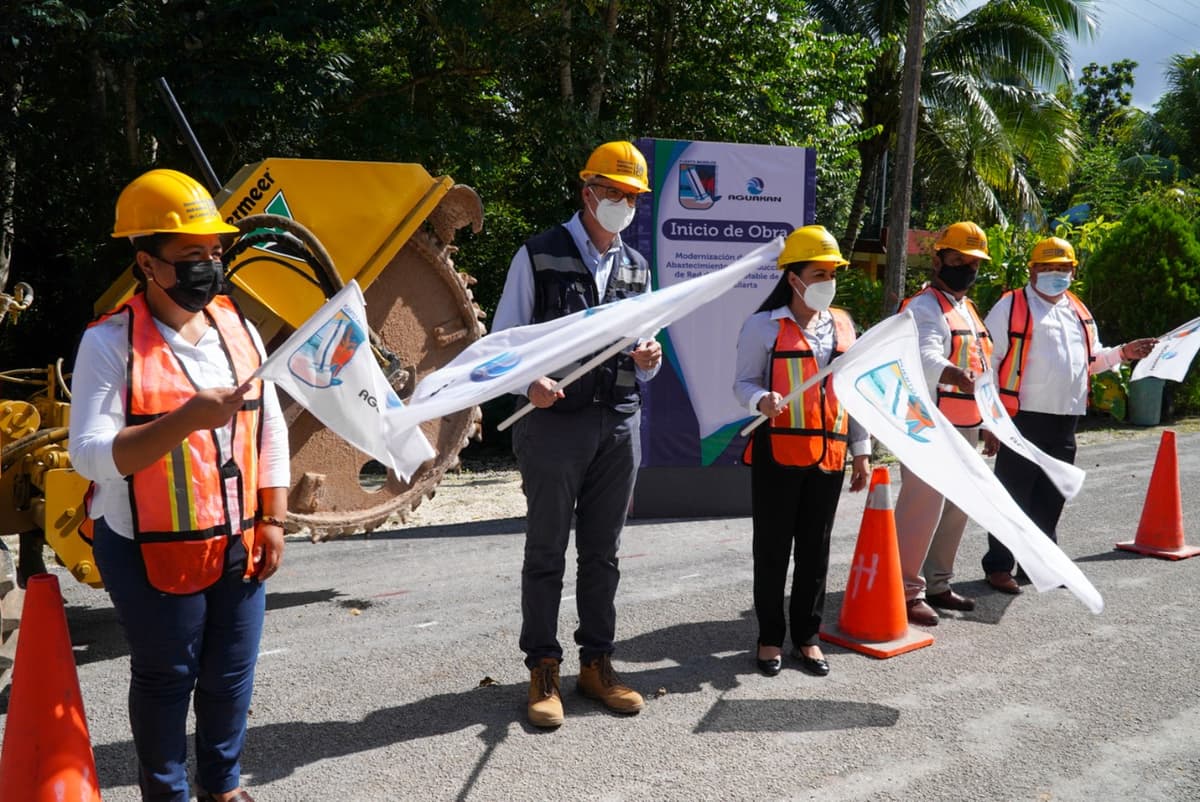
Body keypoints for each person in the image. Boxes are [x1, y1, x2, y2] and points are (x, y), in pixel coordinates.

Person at [69, 169, 289, 802]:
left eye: (215, 251)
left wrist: (273, 518)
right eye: (192, 254)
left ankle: (223, 786)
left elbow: (269, 426)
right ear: (147, 263)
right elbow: (89, 457)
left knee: (230, 675)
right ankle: (167, 795)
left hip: (236, 537)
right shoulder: (110, 343)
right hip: (146, 545)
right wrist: (186, 419)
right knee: (168, 677)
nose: (209, 266)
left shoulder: (238, 329)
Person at [492, 141, 663, 728]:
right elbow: (504, 344)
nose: (624, 204)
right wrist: (528, 384)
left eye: (632, 196)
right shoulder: (538, 254)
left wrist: (650, 359)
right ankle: (543, 667)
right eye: (614, 192)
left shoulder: (637, 267)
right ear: (587, 191)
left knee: (603, 553)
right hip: (552, 424)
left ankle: (597, 664)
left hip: (619, 422)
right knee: (546, 550)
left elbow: (646, 349)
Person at [980, 236, 1157, 592]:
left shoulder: (1078, 310)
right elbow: (988, 362)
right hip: (1020, 418)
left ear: (1074, 271)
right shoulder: (1009, 306)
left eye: (1062, 268)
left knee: (1051, 495)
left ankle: (1039, 565)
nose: (1055, 274)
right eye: (1047, 267)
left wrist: (1124, 353)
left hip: (1065, 418)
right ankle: (999, 565)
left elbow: (1090, 360)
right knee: (1012, 495)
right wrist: (991, 420)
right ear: (1032, 270)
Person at [733, 225, 871, 677]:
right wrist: (760, 400)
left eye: (832, 273)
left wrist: (862, 450)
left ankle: (808, 638)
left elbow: (855, 391)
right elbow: (743, 384)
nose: (828, 282)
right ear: (793, 278)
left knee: (816, 550)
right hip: (778, 454)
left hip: (829, 456)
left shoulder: (845, 326)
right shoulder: (762, 326)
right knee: (772, 549)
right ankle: (770, 638)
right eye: (818, 274)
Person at [894, 221, 993, 627]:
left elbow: (983, 365)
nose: (966, 269)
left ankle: (937, 583)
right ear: (937, 261)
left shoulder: (966, 308)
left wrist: (989, 422)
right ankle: (904, 590)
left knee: (956, 508)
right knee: (922, 508)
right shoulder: (923, 307)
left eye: (973, 263)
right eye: (958, 260)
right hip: (928, 425)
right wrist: (954, 375)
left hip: (965, 423)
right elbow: (925, 356)